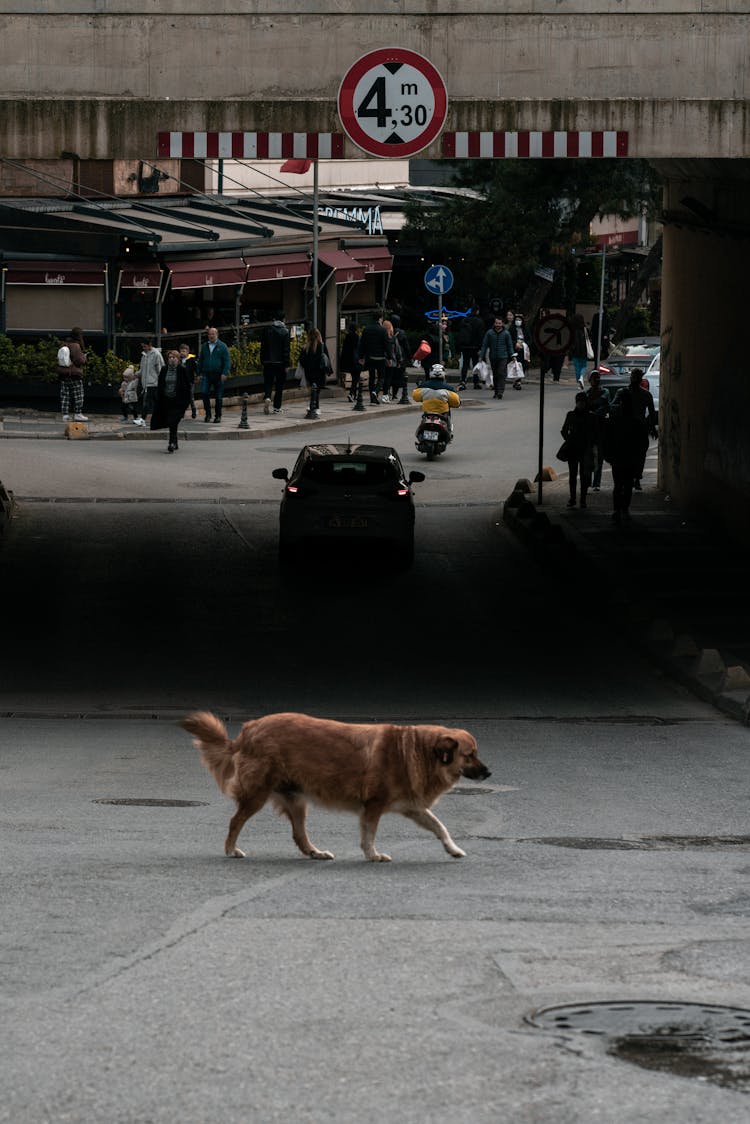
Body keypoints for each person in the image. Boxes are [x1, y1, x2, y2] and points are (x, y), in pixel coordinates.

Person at [603, 387, 649, 524]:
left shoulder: (615, 420)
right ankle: (623, 509)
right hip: (628, 457)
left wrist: (608, 454)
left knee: (619, 485)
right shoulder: (636, 421)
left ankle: (618, 509)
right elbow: (643, 443)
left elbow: (607, 438)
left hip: (620, 456)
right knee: (626, 484)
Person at [614, 367, 657, 490]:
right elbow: (652, 413)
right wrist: (651, 426)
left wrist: (652, 426)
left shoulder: (624, 392)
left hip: (635, 428)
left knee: (639, 453)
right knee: (638, 453)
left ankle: (636, 477)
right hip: (634, 427)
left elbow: (652, 413)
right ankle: (635, 477)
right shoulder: (628, 393)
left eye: (637, 377)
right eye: (635, 376)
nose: (635, 379)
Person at [150, 348, 193, 452]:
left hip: (178, 401)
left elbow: (187, 386)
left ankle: (171, 442)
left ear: (178, 359)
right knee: (171, 422)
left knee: (173, 421)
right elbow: (160, 384)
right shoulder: (164, 369)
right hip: (167, 400)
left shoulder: (182, 369)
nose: (172, 359)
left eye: (174, 357)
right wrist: (158, 397)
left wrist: (187, 401)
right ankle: (175, 442)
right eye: (170, 357)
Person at [560, 391, 596, 508]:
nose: (581, 404)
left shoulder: (575, 415)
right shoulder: (588, 416)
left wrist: (569, 440)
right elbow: (564, 430)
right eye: (579, 402)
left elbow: (564, 431)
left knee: (580, 475)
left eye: (582, 402)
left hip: (580, 449)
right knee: (575, 475)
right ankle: (576, 499)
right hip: (578, 449)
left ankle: (579, 499)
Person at [412, 363, 461, 435]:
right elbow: (456, 403)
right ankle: (449, 432)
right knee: (448, 424)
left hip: (427, 414)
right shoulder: (449, 389)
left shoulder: (423, 387)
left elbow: (415, 397)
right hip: (442, 415)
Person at [197, 326, 231, 423]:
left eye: (213, 334)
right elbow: (201, 360)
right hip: (206, 374)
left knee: (218, 397)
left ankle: (218, 416)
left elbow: (227, 361)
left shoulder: (222, 346)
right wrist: (198, 373)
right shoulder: (204, 346)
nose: (211, 336)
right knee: (204, 393)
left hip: (218, 375)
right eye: (209, 334)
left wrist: (225, 373)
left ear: (217, 335)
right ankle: (208, 414)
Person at [357, 312, 392, 405]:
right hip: (380, 357)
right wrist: (390, 357)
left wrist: (361, 356)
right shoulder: (383, 330)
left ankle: (372, 398)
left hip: (370, 357)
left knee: (371, 377)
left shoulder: (366, 329)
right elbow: (387, 344)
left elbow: (362, 344)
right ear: (380, 319)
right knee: (381, 377)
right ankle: (375, 392)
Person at [260, 310, 291, 415]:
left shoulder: (267, 330)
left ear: (274, 319)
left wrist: (262, 360)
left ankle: (268, 397)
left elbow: (263, 347)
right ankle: (277, 407)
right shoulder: (285, 332)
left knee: (268, 382)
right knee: (279, 386)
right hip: (280, 363)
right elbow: (286, 350)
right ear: (283, 319)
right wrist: (287, 364)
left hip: (268, 362)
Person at [585, 370, 611, 491]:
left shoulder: (604, 392)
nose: (597, 380)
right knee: (590, 456)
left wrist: (592, 410)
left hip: (600, 428)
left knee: (599, 457)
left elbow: (603, 405)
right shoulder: (587, 393)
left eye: (598, 377)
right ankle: (589, 481)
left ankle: (596, 483)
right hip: (591, 429)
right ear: (590, 381)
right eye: (594, 378)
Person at [479, 316, 515, 399]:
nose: (498, 325)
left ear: (502, 324)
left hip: (503, 357)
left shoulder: (506, 333)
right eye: (496, 323)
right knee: (495, 374)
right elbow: (485, 345)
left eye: (499, 323)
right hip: (493, 357)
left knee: (501, 373)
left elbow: (510, 346)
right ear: (494, 324)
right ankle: (496, 391)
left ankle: (500, 391)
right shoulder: (489, 333)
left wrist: (512, 355)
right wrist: (481, 356)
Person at [57, 326, 88, 422]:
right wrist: (84, 357)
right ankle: (78, 414)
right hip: (74, 373)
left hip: (63, 373)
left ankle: (65, 415)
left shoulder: (64, 344)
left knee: (65, 395)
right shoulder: (75, 345)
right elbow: (79, 361)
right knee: (78, 394)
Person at [298, 327, 328, 418]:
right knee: (317, 390)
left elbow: (301, 360)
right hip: (319, 372)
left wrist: (307, 366)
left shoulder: (306, 347)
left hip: (309, 373)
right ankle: (315, 407)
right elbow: (326, 359)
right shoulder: (321, 346)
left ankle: (313, 405)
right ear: (318, 335)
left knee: (313, 389)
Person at [136, 337, 165, 428]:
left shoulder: (156, 354)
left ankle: (143, 419)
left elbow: (160, 369)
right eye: (142, 346)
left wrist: (160, 381)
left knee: (147, 402)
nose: (143, 348)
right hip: (147, 383)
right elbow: (142, 369)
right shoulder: (144, 355)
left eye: (145, 346)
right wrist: (135, 374)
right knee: (157, 402)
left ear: (150, 345)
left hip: (153, 383)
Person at [456, 306, 486, 390]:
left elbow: (460, 334)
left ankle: (463, 380)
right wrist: (480, 348)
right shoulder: (479, 322)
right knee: (475, 364)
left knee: (465, 364)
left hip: (465, 346)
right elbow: (481, 336)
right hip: (475, 347)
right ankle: (476, 382)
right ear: (477, 311)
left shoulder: (464, 320)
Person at [381, 318, 404, 402]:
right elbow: (398, 351)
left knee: (382, 378)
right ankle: (386, 395)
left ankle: (383, 393)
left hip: (382, 360)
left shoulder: (382, 338)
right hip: (392, 361)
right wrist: (399, 360)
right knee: (389, 378)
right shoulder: (393, 338)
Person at [389, 314, 410, 404]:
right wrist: (409, 357)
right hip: (400, 357)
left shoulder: (388, 331)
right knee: (399, 376)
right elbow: (406, 346)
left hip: (390, 355)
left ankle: (387, 392)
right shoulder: (402, 332)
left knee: (390, 375)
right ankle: (394, 394)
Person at [568, 313, 591, 388]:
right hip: (584, 350)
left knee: (577, 366)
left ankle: (578, 380)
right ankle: (581, 377)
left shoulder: (571, 330)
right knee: (583, 365)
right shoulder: (585, 329)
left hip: (575, 350)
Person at [339, 322, 360, 401]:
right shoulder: (357, 337)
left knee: (354, 377)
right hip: (355, 360)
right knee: (356, 378)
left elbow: (344, 350)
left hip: (348, 361)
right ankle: (351, 394)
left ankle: (354, 394)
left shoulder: (347, 337)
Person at [178, 341, 198, 420]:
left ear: (187, 352)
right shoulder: (179, 360)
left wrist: (198, 375)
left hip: (189, 382)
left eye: (184, 351)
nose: (182, 353)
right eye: (181, 351)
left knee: (190, 397)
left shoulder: (191, 360)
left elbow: (196, 369)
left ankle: (193, 410)